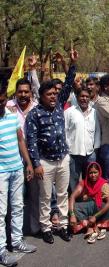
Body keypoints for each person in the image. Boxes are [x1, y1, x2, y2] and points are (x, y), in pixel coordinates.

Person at [25, 49, 78, 244]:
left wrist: (72, 65)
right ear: (41, 96)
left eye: (55, 94)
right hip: (45, 163)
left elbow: (68, 85)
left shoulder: (59, 105)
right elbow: (31, 141)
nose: (54, 97)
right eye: (49, 94)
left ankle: (62, 226)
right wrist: (36, 164)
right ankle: (46, 228)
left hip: (63, 158)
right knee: (46, 197)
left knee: (63, 194)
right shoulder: (34, 114)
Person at [0, 83, 37, 267]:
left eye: (2, 101)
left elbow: (20, 140)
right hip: (1, 173)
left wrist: (28, 163)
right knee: (1, 212)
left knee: (17, 207)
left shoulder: (12, 116)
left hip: (17, 169)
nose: (0, 105)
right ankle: (1, 251)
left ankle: (16, 242)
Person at [65, 86, 101, 193]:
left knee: (91, 179)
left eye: (86, 96)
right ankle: (74, 203)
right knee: (73, 181)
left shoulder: (95, 112)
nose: (84, 99)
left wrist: (96, 149)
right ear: (77, 97)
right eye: (82, 96)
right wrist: (67, 150)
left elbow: (97, 131)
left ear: (89, 98)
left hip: (90, 153)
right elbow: (64, 131)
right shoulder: (69, 112)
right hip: (73, 153)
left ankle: (89, 199)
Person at [68, 162, 109, 243]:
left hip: (103, 210)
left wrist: (95, 217)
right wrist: (72, 215)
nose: (93, 175)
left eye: (95, 172)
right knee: (72, 206)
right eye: (90, 173)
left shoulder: (103, 184)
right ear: (87, 173)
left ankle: (92, 222)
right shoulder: (84, 182)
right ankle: (91, 226)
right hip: (92, 207)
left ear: (99, 172)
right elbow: (72, 196)